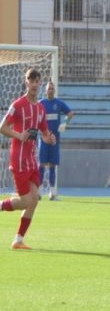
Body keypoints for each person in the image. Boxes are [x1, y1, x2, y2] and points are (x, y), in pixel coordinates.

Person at [0, 68, 56, 250]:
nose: (34, 84)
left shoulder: (40, 109)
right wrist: (18, 135)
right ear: (26, 83)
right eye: (30, 80)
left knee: (34, 200)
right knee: (25, 201)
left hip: (32, 161)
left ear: (39, 84)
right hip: (18, 160)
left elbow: (45, 133)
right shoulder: (17, 105)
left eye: (36, 81)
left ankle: (18, 239)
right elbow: (2, 127)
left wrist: (49, 138)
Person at [37, 80, 73, 201]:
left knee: (52, 166)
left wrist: (65, 123)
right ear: (45, 91)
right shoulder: (40, 104)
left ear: (54, 90)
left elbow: (71, 113)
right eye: (48, 88)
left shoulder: (59, 103)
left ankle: (52, 194)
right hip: (43, 139)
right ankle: (38, 192)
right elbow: (35, 117)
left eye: (52, 88)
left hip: (54, 140)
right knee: (41, 165)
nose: (50, 90)